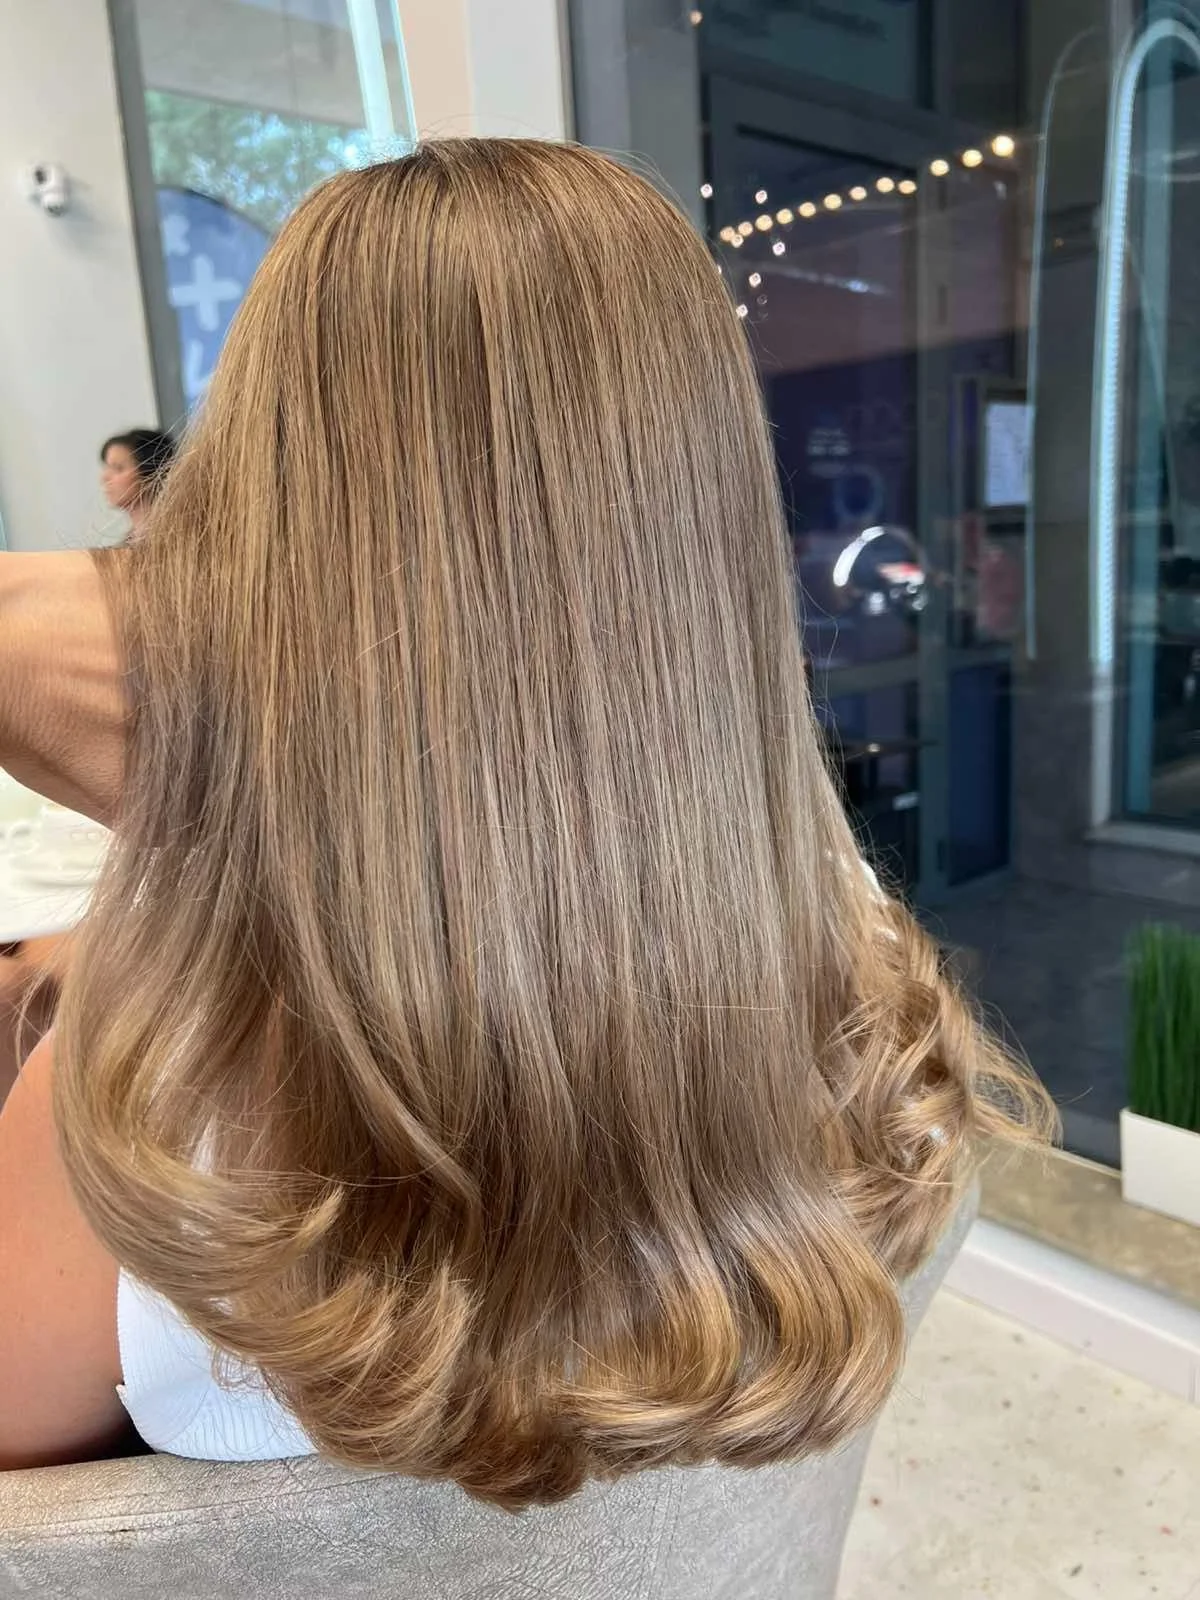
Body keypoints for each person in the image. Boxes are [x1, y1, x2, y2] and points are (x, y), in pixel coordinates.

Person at [0, 140, 1054, 1488]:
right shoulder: (862, 992)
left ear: (268, 523)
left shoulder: (136, 1121)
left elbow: (36, 1531)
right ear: (707, 499)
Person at [99, 428, 176, 540]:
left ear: (151, 471)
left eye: (118, 468)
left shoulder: (175, 538)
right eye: (107, 468)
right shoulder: (124, 546)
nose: (105, 478)